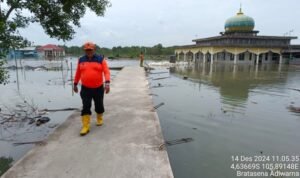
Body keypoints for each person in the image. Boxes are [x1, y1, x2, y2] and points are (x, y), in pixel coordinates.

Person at [73, 42, 110, 136]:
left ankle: (99, 118)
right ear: (84, 50)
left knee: (99, 105)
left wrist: (107, 83)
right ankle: (85, 126)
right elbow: (78, 73)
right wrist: (75, 84)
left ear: (94, 50)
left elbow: (106, 72)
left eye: (90, 50)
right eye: (87, 50)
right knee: (86, 106)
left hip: (98, 88)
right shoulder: (81, 60)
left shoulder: (100, 59)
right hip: (85, 88)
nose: (89, 52)